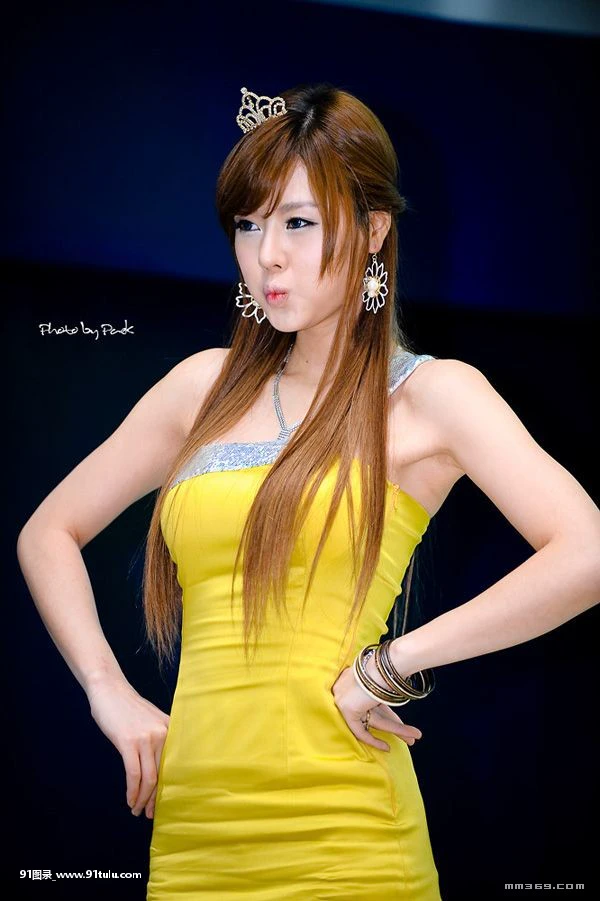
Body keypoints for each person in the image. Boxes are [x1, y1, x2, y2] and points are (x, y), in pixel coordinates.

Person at [16, 83, 600, 900]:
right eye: (248, 224)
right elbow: (47, 531)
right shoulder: (200, 389)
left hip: (349, 840)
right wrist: (107, 690)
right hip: (194, 842)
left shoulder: (429, 398)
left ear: (373, 230)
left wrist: (392, 663)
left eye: (297, 222)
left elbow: (587, 552)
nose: (267, 255)